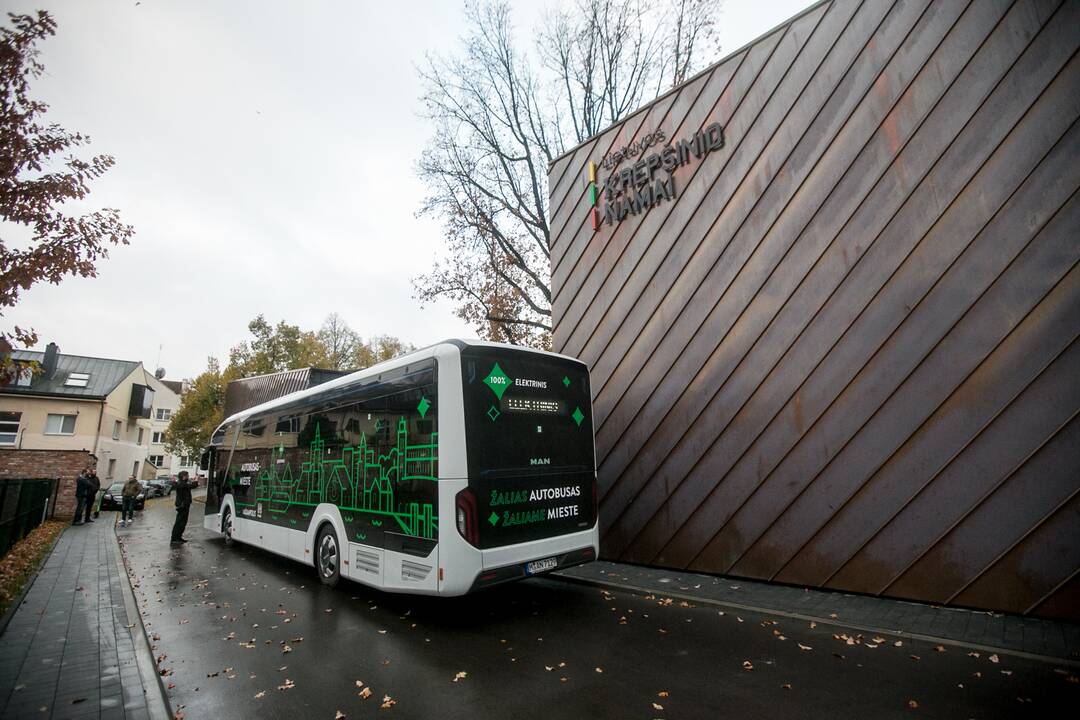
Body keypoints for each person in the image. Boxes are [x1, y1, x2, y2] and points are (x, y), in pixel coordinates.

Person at [170, 471, 192, 544]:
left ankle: (178, 537)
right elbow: (190, 486)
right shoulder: (182, 484)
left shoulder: (181, 483)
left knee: (182, 522)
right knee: (180, 522)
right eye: (187, 475)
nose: (188, 477)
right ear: (184, 476)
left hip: (184, 505)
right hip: (182, 505)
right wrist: (196, 480)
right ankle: (175, 538)